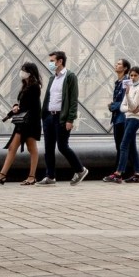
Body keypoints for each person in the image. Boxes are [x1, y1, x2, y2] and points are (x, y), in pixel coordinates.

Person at [39, 50, 88, 185]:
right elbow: (48, 98)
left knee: (62, 146)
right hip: (49, 116)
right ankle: (50, 176)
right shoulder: (52, 78)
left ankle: (80, 169)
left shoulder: (70, 76)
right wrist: (44, 115)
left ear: (60, 61)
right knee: (48, 148)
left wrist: (70, 119)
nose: (50, 63)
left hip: (62, 117)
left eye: (52, 61)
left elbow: (73, 100)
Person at [0, 63, 42, 185]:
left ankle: (31, 176)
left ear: (30, 72)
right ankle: (3, 174)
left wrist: (18, 108)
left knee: (31, 148)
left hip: (30, 122)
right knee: (14, 147)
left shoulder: (34, 86)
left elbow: (31, 105)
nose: (21, 73)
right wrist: (16, 106)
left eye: (24, 70)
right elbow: (23, 103)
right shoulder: (26, 85)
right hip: (25, 122)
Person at [106, 66, 139, 183]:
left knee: (124, 145)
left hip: (136, 119)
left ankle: (118, 173)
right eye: (131, 75)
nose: (133, 78)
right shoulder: (130, 87)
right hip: (129, 118)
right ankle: (138, 174)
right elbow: (122, 107)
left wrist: (128, 96)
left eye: (135, 75)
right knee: (132, 147)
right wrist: (129, 108)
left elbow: (132, 106)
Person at [108, 58, 130, 167]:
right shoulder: (118, 82)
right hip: (118, 117)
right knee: (121, 145)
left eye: (119, 64)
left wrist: (112, 106)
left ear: (125, 68)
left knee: (121, 145)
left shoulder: (126, 82)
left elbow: (125, 100)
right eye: (116, 63)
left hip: (122, 117)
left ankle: (119, 170)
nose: (116, 65)